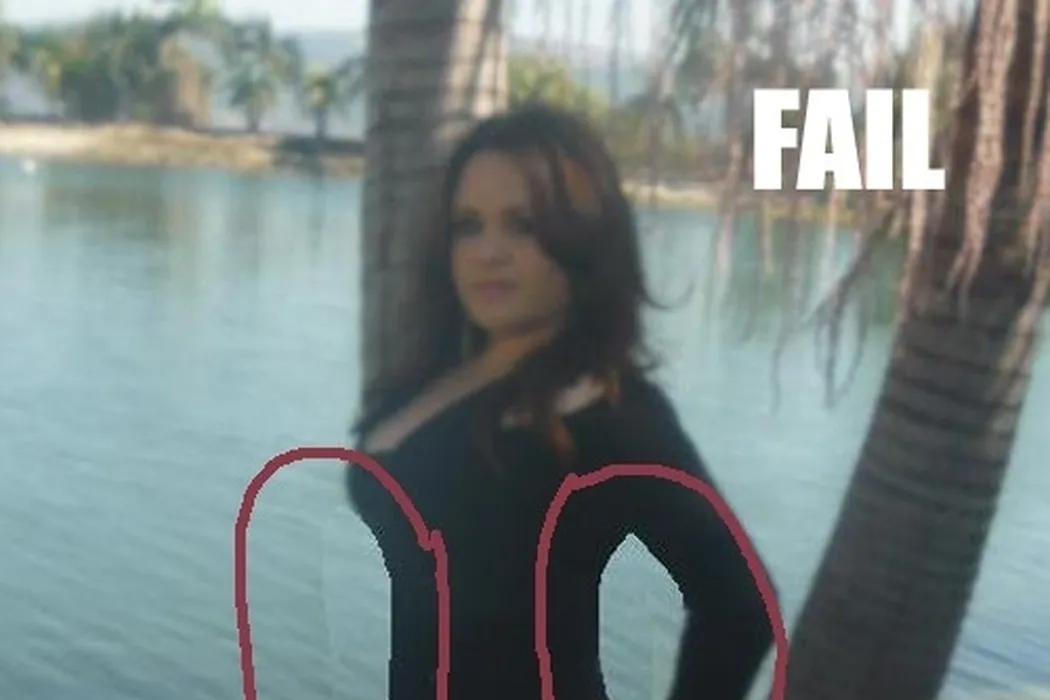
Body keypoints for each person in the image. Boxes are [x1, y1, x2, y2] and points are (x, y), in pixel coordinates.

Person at [348, 103, 775, 700]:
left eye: (523, 225)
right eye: (468, 225)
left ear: (583, 240)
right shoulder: (439, 376)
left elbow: (741, 608)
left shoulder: (606, 411)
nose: (488, 251)